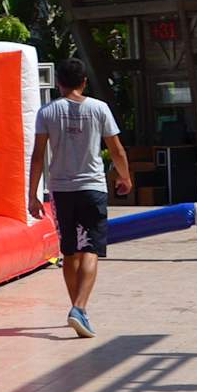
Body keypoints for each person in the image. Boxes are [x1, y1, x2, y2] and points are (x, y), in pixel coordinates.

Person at [28, 57, 132, 339]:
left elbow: (38, 156)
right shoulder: (99, 108)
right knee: (92, 249)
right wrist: (125, 177)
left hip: (61, 190)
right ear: (84, 82)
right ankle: (80, 308)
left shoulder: (47, 112)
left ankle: (77, 309)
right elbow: (117, 150)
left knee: (69, 251)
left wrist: (32, 195)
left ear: (58, 83)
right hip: (93, 187)